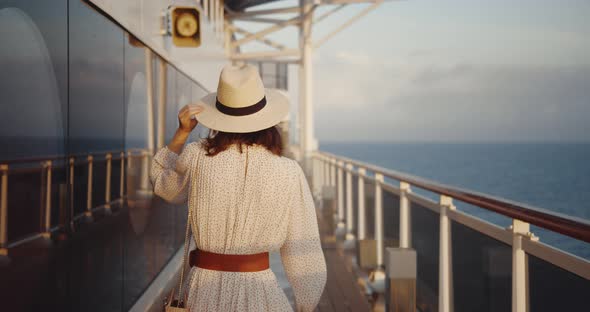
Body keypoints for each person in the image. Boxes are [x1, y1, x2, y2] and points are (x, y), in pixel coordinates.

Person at [150, 63, 327, 311]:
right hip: (261, 294)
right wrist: (306, 304)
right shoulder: (289, 171)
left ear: (219, 116)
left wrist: (181, 133)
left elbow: (161, 183)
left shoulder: (196, 156)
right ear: (267, 120)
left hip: (203, 292)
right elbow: (303, 248)